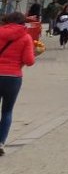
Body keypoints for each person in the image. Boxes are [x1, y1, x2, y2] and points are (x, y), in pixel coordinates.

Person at [0, 11, 37, 156]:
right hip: (13, 77)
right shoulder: (26, 37)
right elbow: (29, 61)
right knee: (7, 111)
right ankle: (1, 142)